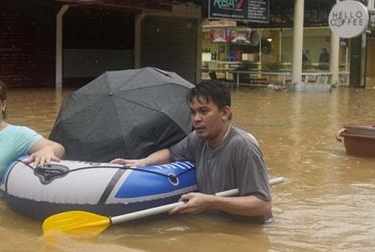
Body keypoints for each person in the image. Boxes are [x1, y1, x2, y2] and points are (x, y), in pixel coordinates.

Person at [111, 80, 272, 220]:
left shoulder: (243, 147)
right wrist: (143, 162)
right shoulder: (197, 139)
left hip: (244, 231)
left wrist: (212, 202)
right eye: (193, 112)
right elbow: (171, 154)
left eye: (204, 111)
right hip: (214, 225)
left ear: (224, 113)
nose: (196, 119)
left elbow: (262, 204)